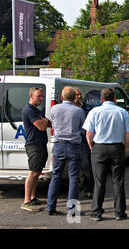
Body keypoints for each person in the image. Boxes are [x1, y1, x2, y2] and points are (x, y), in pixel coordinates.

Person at [83, 88, 129, 221]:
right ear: (114, 99)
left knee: (99, 182)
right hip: (116, 147)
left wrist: (91, 147)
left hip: (99, 148)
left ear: (101, 99)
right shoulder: (122, 112)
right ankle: (120, 212)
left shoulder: (94, 112)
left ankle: (96, 212)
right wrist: (125, 147)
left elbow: (89, 134)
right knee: (118, 181)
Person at [46, 86, 85, 216]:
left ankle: (50, 207)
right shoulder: (78, 111)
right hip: (74, 145)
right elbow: (82, 129)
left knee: (56, 176)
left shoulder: (54, 108)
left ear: (62, 97)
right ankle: (72, 210)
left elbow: (53, 124)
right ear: (75, 97)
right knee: (74, 178)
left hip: (59, 145)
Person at [21, 87, 51, 212]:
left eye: (42, 96)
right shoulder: (30, 110)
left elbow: (49, 123)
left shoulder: (36, 110)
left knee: (37, 172)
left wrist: (44, 121)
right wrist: (44, 121)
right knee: (33, 173)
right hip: (34, 145)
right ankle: (26, 201)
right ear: (31, 96)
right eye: (39, 96)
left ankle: (33, 198)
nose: (41, 98)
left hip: (40, 145)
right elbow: (42, 127)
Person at [73, 88, 94, 198]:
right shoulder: (70, 108)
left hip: (84, 141)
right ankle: (74, 191)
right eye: (76, 94)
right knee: (74, 169)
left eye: (80, 94)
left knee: (87, 167)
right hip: (72, 142)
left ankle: (88, 189)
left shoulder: (87, 108)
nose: (78, 96)